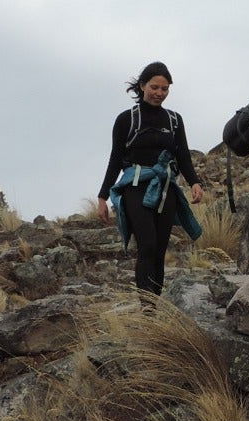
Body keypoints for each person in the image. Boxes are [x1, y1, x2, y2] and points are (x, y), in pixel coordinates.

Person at [97, 62, 204, 295]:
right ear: (143, 86)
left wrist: (195, 182)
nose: (159, 93)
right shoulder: (126, 119)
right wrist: (103, 196)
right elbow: (115, 159)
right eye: (154, 87)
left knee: (159, 249)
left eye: (165, 89)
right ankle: (146, 309)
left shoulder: (174, 120)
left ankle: (154, 308)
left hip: (166, 188)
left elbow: (183, 155)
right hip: (135, 188)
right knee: (147, 245)